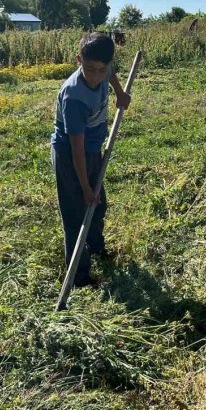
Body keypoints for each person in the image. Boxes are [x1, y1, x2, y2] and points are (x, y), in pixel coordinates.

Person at [50, 33, 131, 288]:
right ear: (78, 60)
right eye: (90, 70)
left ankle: (96, 248)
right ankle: (79, 276)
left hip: (93, 149)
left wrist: (120, 93)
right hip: (71, 156)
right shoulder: (74, 97)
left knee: (99, 204)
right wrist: (85, 187)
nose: (96, 76)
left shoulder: (103, 67)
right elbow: (76, 149)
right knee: (76, 214)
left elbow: (110, 74)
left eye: (101, 70)